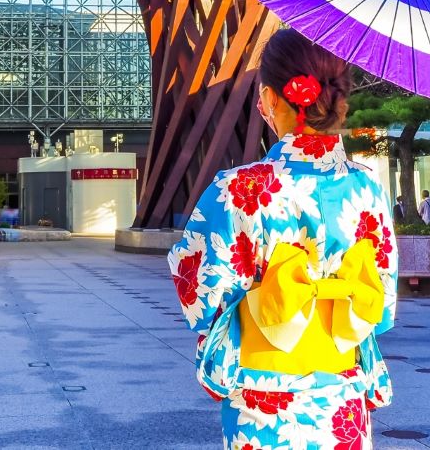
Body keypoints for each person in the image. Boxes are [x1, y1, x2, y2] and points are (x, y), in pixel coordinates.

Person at [168, 28, 397, 450]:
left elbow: (200, 297)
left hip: (264, 395)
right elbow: (381, 308)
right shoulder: (367, 188)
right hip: (342, 394)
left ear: (272, 99)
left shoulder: (238, 189)